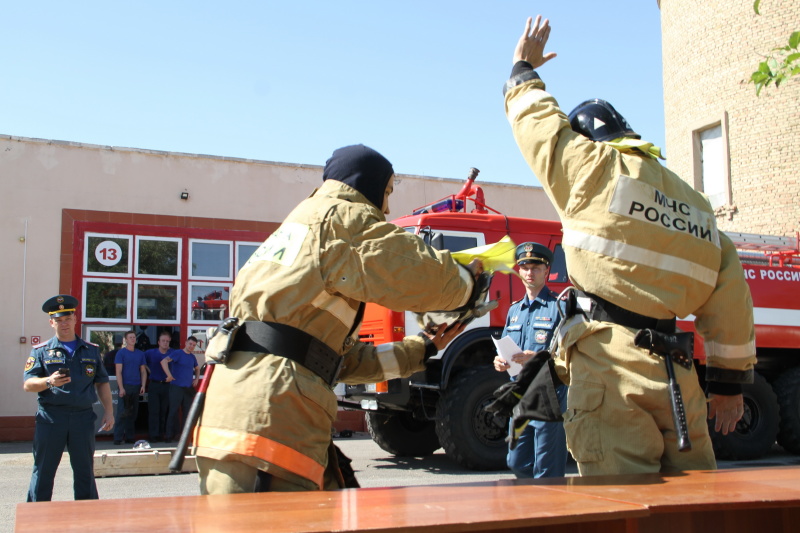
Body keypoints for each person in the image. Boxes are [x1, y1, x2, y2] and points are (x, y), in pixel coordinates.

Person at [502, 15, 756, 476]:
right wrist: (729, 385)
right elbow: (730, 297)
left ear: (589, 139)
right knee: (697, 507)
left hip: (611, 371)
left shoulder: (592, 168)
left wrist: (523, 71)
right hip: (678, 378)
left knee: (625, 509)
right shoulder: (693, 201)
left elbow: (539, 128)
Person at [194, 144, 481, 494]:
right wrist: (467, 284)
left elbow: (337, 361)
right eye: (387, 192)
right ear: (366, 185)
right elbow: (410, 267)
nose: (388, 207)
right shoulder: (340, 217)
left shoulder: (297, 228)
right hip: (272, 418)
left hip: (239, 410)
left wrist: (420, 349)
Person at [23, 295, 114, 501]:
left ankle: (87, 517)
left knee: (85, 472)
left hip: (82, 418)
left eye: (67, 319)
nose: (64, 324)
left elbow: (101, 383)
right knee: (43, 470)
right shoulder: (41, 351)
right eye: (58, 320)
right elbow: (28, 384)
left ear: (74, 319)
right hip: (51, 418)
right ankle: (36, 517)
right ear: (51, 322)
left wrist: (109, 412)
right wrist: (49, 381)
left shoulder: (91, 350)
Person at [493, 242, 567, 478]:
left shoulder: (559, 307)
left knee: (547, 469)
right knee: (515, 462)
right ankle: (534, 499)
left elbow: (570, 354)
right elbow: (506, 348)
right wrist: (500, 361)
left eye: (535, 267)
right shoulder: (515, 311)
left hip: (548, 394)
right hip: (520, 396)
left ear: (547, 271)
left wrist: (535, 357)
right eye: (524, 267)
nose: (529, 273)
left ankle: (550, 508)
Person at [161, 336, 200, 442]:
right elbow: (164, 361)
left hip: (187, 388)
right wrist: (169, 375)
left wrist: (196, 379)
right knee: (173, 411)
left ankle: (184, 436)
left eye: (193, 345)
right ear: (186, 342)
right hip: (176, 387)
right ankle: (169, 436)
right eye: (190, 344)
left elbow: (197, 368)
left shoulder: (192, 357)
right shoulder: (178, 353)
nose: (191, 346)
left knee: (187, 413)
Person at [114, 330, 147, 445]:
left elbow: (143, 371)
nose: (133, 339)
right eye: (130, 337)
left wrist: (143, 385)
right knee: (122, 412)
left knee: (132, 413)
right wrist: (121, 387)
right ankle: (117, 438)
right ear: (126, 340)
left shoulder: (140, 354)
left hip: (136, 386)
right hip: (125, 386)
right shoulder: (121, 353)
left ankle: (130, 437)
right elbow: (118, 371)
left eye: (134, 337)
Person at [144, 331, 174, 442]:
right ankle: (153, 435)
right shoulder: (150, 353)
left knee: (164, 411)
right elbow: (142, 362)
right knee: (154, 411)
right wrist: (149, 371)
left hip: (167, 386)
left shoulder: (173, 353)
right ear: (158, 342)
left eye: (167, 341)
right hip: (154, 385)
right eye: (163, 341)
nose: (165, 343)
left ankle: (162, 434)